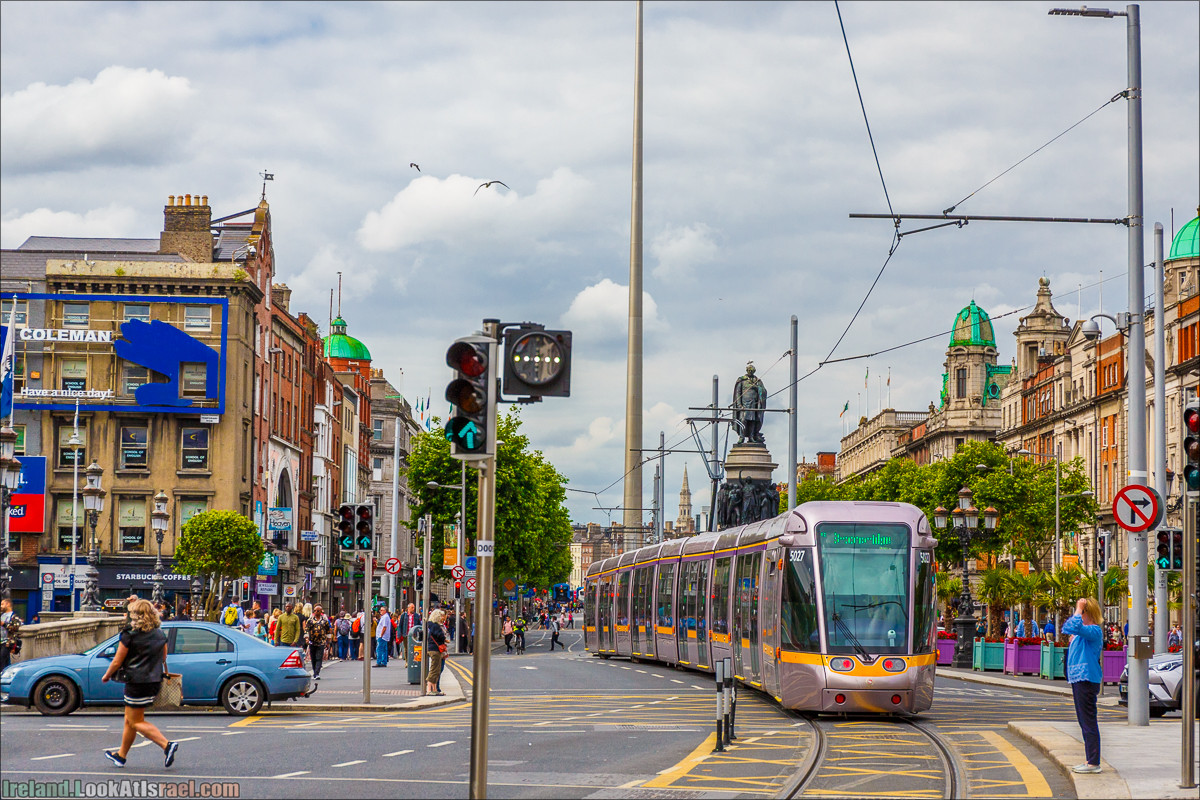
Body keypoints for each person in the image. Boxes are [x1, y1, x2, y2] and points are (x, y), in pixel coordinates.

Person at [101, 599, 179, 769]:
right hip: (153, 680)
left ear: (135, 615)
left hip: (136, 681)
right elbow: (163, 657)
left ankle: (167, 745)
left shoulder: (129, 634)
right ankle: (121, 756)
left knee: (135, 722)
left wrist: (107, 675)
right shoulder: (160, 634)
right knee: (130, 720)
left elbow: (117, 661)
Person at [1063, 597, 1104, 774]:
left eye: (1081, 611)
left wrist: (1079, 608)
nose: (1078, 614)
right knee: (1084, 721)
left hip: (1086, 680)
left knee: (1088, 722)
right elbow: (1067, 628)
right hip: (1080, 680)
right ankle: (1090, 760)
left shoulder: (1094, 630)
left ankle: (1093, 762)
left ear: (1088, 612)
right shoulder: (1083, 633)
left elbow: (1071, 626)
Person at [304, 605, 332, 679]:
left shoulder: (324, 621)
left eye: (318, 611)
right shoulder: (310, 620)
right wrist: (306, 638)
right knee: (313, 658)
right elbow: (306, 629)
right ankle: (314, 670)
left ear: (321, 612)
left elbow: (328, 631)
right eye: (315, 610)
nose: (316, 612)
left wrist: (328, 641)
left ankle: (317, 673)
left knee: (319, 658)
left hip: (321, 642)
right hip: (312, 641)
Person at [426, 609, 447, 696]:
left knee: (437, 669)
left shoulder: (431, 625)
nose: (442, 617)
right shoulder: (435, 626)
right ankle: (429, 689)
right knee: (434, 669)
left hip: (434, 649)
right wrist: (444, 638)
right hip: (435, 649)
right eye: (440, 616)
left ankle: (434, 689)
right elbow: (440, 636)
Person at [0, 598, 22, 673]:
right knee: (5, 661)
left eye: (2, 604)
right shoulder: (1, 615)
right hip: (1, 641)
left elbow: (15, 628)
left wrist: (4, 624)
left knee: (1, 659)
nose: (1, 606)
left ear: (8, 604)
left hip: (7, 642)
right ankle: (7, 675)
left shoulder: (14, 617)